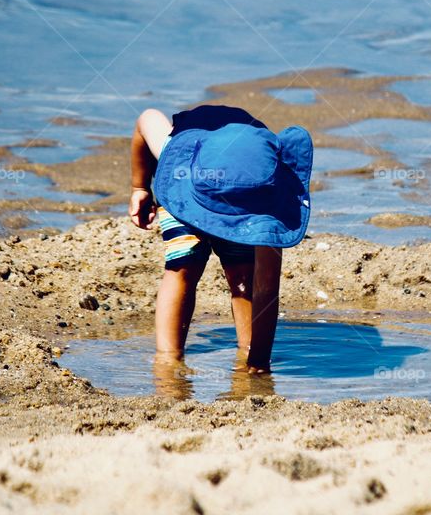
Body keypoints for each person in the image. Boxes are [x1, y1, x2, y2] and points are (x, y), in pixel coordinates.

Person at [128, 104, 313, 374]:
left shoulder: (266, 194)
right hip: (188, 186)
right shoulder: (171, 149)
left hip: (247, 187)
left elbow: (267, 290)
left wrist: (259, 362)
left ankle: (248, 350)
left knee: (244, 276)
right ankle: (168, 356)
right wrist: (139, 187)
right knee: (184, 265)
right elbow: (147, 118)